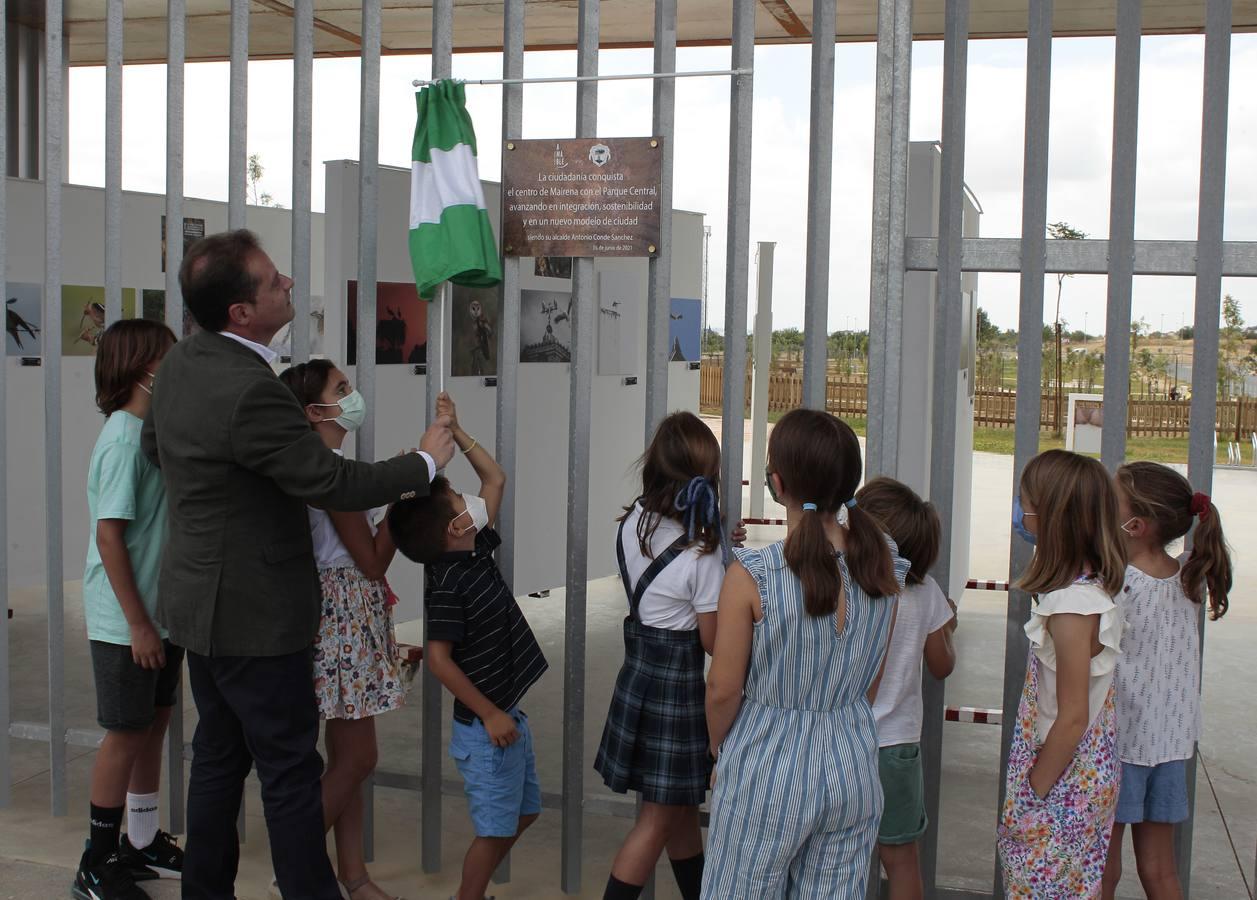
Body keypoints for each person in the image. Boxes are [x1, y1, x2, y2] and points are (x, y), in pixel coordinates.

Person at [141, 229, 454, 900]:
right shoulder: (250, 389)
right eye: (274, 279)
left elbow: (156, 452)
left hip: (200, 606)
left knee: (219, 763)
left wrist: (224, 495)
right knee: (288, 771)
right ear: (241, 313)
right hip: (257, 615)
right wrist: (425, 462)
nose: (287, 283)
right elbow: (333, 483)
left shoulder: (182, 365)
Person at [702, 409, 908, 899]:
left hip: (766, 766)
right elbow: (873, 679)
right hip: (853, 762)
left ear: (777, 482)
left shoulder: (754, 575)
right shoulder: (884, 566)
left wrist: (719, 750)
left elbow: (723, 688)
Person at [387, 392, 546, 900]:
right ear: (457, 525)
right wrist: (490, 715)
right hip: (486, 727)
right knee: (497, 828)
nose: (468, 501)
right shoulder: (449, 583)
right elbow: (438, 659)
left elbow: (495, 479)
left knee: (525, 812)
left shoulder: (473, 548)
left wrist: (456, 433)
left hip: (504, 717)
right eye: (458, 500)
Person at [278, 359, 407, 900]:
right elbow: (373, 561)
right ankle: (295, 870)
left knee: (345, 762)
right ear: (315, 411)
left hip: (341, 615)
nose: (352, 396)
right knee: (359, 758)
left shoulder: (317, 463)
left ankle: (352, 877)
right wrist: (403, 502)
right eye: (342, 389)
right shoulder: (326, 470)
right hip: (343, 616)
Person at [595, 412, 725, 900]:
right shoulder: (701, 552)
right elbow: (712, 640)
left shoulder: (634, 522)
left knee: (680, 816)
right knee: (655, 823)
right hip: (678, 693)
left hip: (639, 676)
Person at [75, 320, 182, 900]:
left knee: (153, 723)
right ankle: (95, 861)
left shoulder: (149, 431)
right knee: (124, 732)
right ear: (144, 367)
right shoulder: (121, 438)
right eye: (169, 357)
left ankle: (140, 840)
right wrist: (139, 624)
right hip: (127, 620)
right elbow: (110, 537)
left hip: (157, 614)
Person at [997, 449, 1127, 898]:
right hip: (1074, 781)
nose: (1021, 512)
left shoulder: (1073, 607)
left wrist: (1033, 793)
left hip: (1063, 784)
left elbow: (1073, 716)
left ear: (1051, 517)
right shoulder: (1082, 592)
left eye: (1026, 502)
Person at [1101, 462, 1232, 900]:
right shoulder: (1189, 577)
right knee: (1160, 870)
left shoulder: (1117, 584)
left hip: (1121, 744)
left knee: (1103, 867)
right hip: (1171, 747)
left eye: (1108, 504)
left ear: (1134, 525)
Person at [856, 478, 957, 900]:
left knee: (838, 855)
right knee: (900, 860)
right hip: (896, 747)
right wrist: (948, 625)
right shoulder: (925, 591)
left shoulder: (848, 587)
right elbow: (941, 666)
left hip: (842, 742)